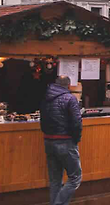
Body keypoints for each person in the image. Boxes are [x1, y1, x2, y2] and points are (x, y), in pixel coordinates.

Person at [40, 75, 82, 205]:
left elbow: (42, 121)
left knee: (55, 180)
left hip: (49, 141)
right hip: (66, 141)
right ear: (69, 86)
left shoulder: (45, 98)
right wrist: (76, 139)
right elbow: (77, 123)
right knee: (75, 178)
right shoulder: (70, 99)